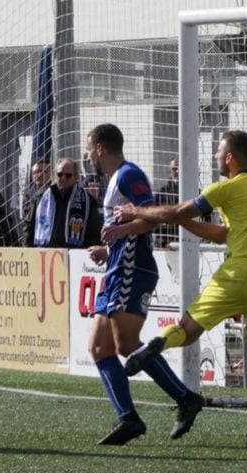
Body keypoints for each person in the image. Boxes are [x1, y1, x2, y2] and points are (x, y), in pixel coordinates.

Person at [111, 130, 247, 450]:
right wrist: (185, 222)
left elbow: (178, 212)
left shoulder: (225, 188)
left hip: (242, 270)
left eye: (220, 153)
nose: (216, 158)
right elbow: (224, 234)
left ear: (230, 158)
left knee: (188, 330)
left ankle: (155, 345)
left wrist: (135, 212)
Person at [85, 124, 205, 445]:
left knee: (126, 344)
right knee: (99, 348)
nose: (88, 157)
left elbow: (151, 216)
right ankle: (129, 418)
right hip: (116, 267)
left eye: (88, 150)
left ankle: (185, 397)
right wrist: (107, 246)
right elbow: (124, 224)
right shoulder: (114, 181)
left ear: (99, 148)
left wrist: (121, 235)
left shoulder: (127, 174)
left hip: (132, 269)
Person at [25, 158, 102, 248]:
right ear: (54, 175)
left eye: (68, 175)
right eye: (60, 174)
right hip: (44, 254)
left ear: (76, 177)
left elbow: (94, 232)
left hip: (74, 255)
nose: (63, 178)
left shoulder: (87, 200)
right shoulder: (41, 197)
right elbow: (29, 227)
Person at [154, 158, 180, 248]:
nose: (177, 171)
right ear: (170, 172)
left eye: (180, 168)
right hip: (166, 241)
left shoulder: (195, 192)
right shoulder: (161, 194)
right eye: (174, 168)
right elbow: (153, 219)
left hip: (189, 239)